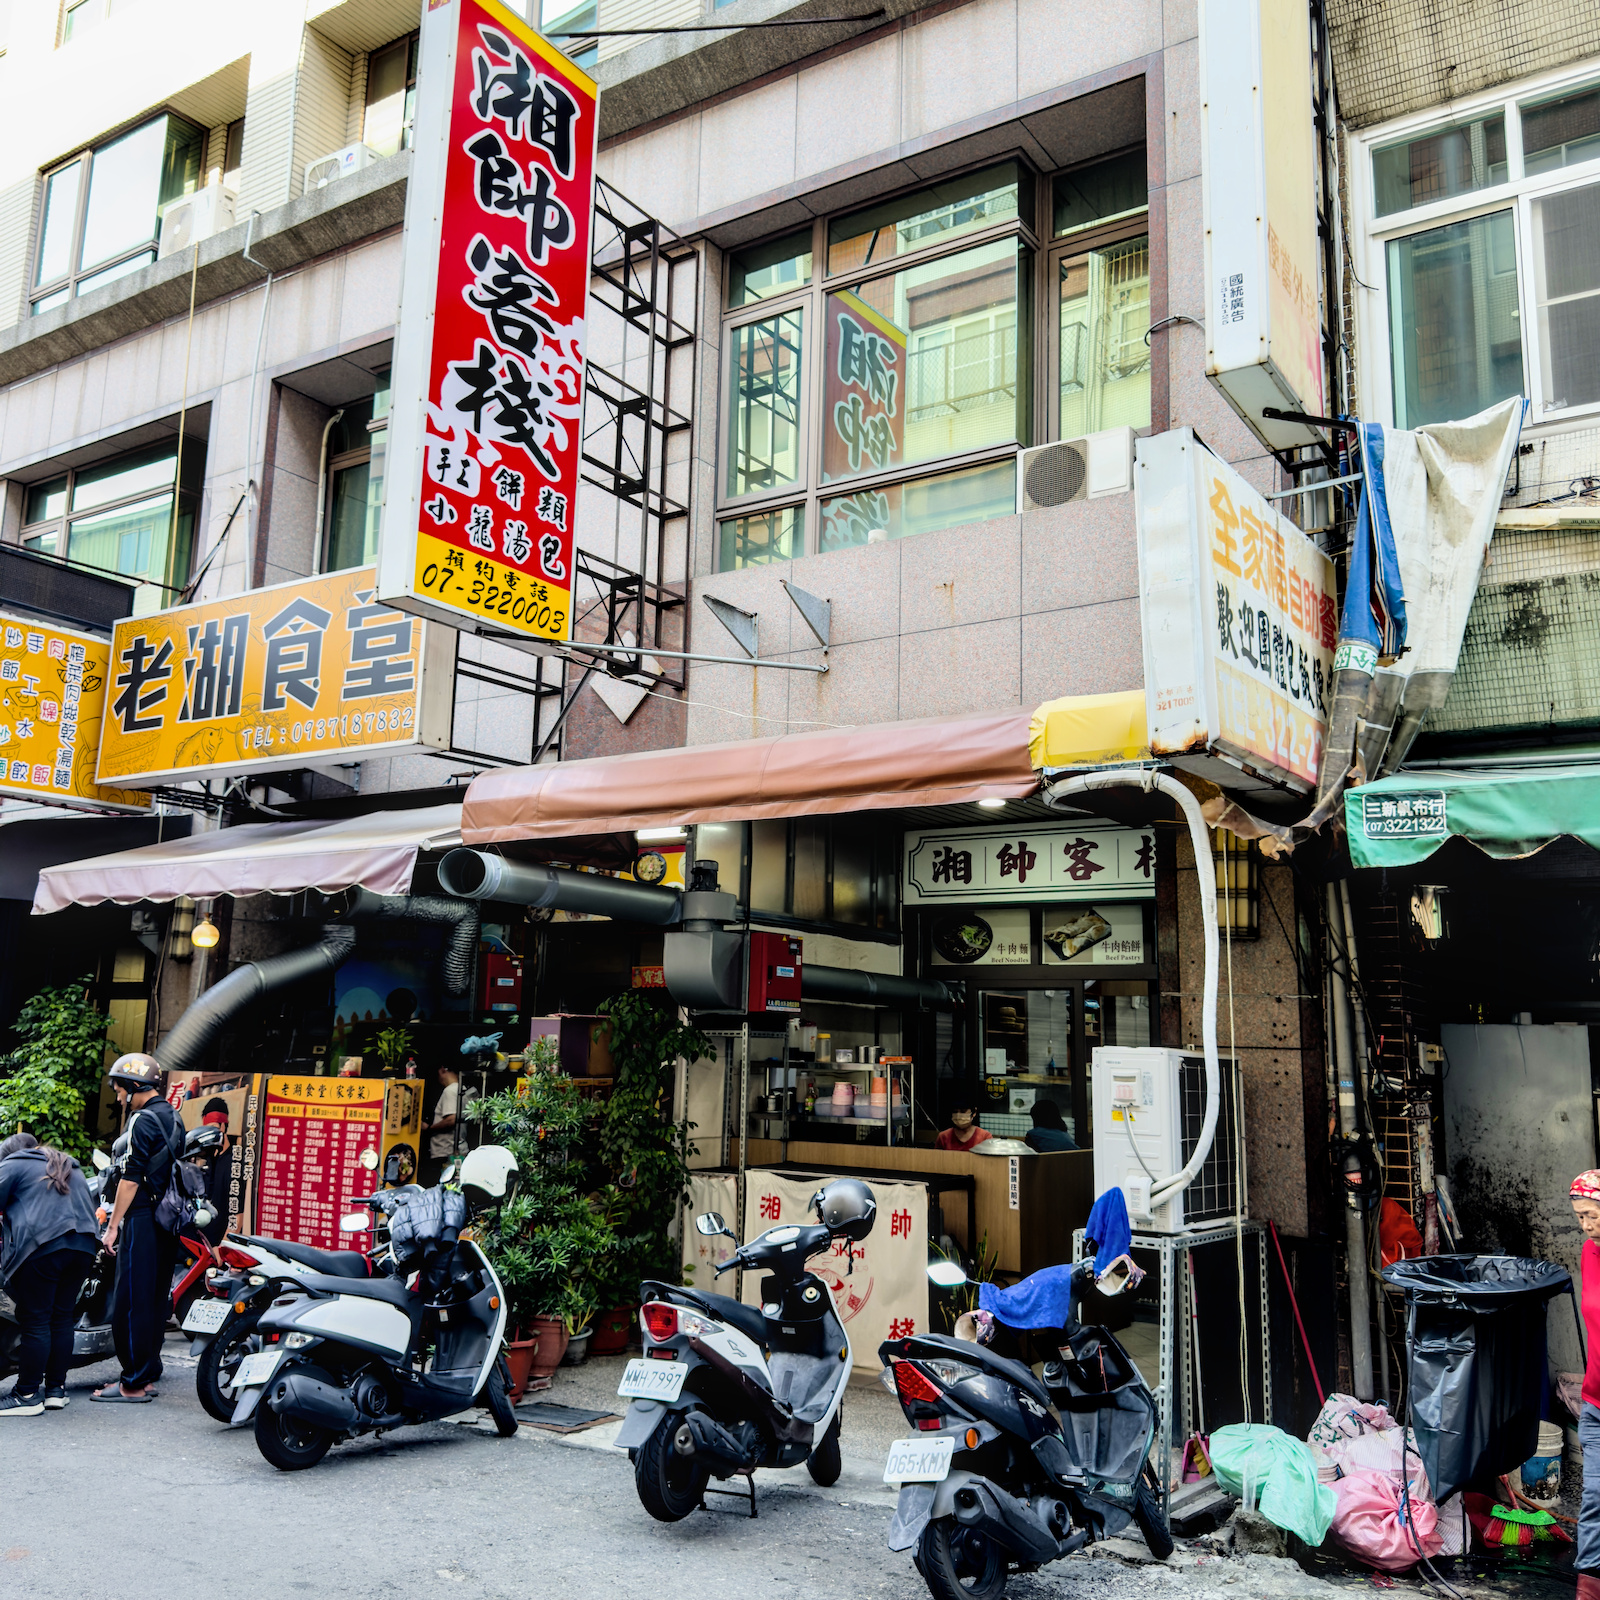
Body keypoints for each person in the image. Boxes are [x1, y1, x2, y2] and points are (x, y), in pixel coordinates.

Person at [94, 1053, 183, 1404]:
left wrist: (113, 1226)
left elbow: (130, 1180)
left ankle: (131, 1382)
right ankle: (146, 1372)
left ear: (134, 1086)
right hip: (167, 1220)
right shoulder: (173, 1116)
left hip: (143, 1218)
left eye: (120, 1091)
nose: (119, 1098)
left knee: (131, 1301)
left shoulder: (142, 1120)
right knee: (155, 1297)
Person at [0, 1132, 99, 1416]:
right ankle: (56, 1391)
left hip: (44, 1245)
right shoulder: (68, 1163)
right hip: (83, 1246)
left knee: (36, 1319)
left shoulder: (15, 1163)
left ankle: (27, 1394)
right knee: (61, 1317)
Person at [1570, 1170, 1600, 1599]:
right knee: (1595, 1494)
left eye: (1592, 1215)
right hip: (1595, 1401)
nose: (1586, 1224)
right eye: (1579, 1216)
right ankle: (1589, 1583)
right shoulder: (1589, 1252)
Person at [423, 1064, 476, 1186]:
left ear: (442, 1070)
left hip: (446, 1151)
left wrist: (429, 1128)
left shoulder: (450, 1091)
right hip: (457, 1148)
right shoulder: (462, 1090)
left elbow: (451, 1119)